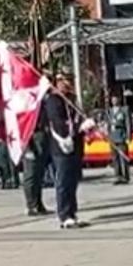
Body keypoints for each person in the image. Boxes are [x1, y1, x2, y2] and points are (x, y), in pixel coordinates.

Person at [45, 74, 92, 228]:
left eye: (70, 81)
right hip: (62, 146)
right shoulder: (53, 100)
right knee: (64, 181)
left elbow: (78, 118)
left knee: (73, 181)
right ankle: (64, 215)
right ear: (58, 83)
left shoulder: (72, 100)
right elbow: (58, 123)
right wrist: (79, 128)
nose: (68, 84)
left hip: (76, 145)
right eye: (65, 81)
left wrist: (86, 126)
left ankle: (72, 212)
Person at [108, 93, 132, 185]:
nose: (114, 101)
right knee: (115, 158)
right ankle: (118, 176)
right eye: (112, 99)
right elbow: (108, 125)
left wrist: (128, 136)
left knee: (123, 157)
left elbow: (128, 123)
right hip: (113, 137)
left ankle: (125, 176)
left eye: (115, 99)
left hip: (121, 135)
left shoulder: (124, 110)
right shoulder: (109, 111)